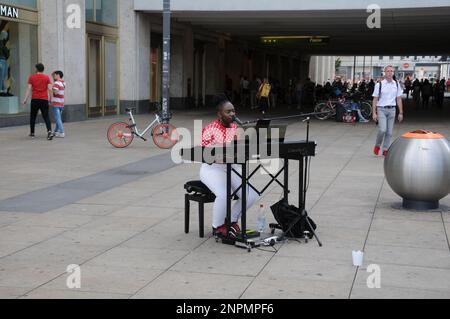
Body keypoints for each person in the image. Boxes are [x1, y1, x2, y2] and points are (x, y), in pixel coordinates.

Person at [200, 94, 259, 238]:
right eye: (228, 111)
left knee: (250, 196)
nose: (232, 114)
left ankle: (231, 220)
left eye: (233, 111)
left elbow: (242, 149)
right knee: (224, 194)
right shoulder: (210, 128)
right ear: (219, 114)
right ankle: (218, 226)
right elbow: (206, 153)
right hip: (212, 168)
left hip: (231, 167)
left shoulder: (236, 128)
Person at [372, 66, 404, 157]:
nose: (390, 73)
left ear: (393, 73)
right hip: (381, 109)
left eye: (391, 71)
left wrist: (401, 112)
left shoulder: (396, 84)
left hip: (392, 110)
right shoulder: (379, 85)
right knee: (382, 130)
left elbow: (398, 99)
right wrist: (374, 112)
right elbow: (375, 99)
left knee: (389, 132)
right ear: (384, 73)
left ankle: (385, 149)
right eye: (388, 71)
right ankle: (377, 145)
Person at [23, 63, 53, 140]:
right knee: (46, 116)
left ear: (36, 69)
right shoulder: (46, 77)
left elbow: (29, 89)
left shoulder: (32, 77)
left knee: (33, 116)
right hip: (44, 99)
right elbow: (49, 89)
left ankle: (32, 133)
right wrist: (50, 98)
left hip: (35, 99)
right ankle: (49, 131)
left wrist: (25, 99)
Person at [51, 70, 66, 138]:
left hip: (56, 103)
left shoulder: (56, 83)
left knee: (58, 118)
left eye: (55, 75)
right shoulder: (63, 83)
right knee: (58, 118)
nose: (54, 76)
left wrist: (52, 90)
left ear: (58, 75)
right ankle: (56, 131)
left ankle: (62, 132)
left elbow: (56, 93)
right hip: (61, 103)